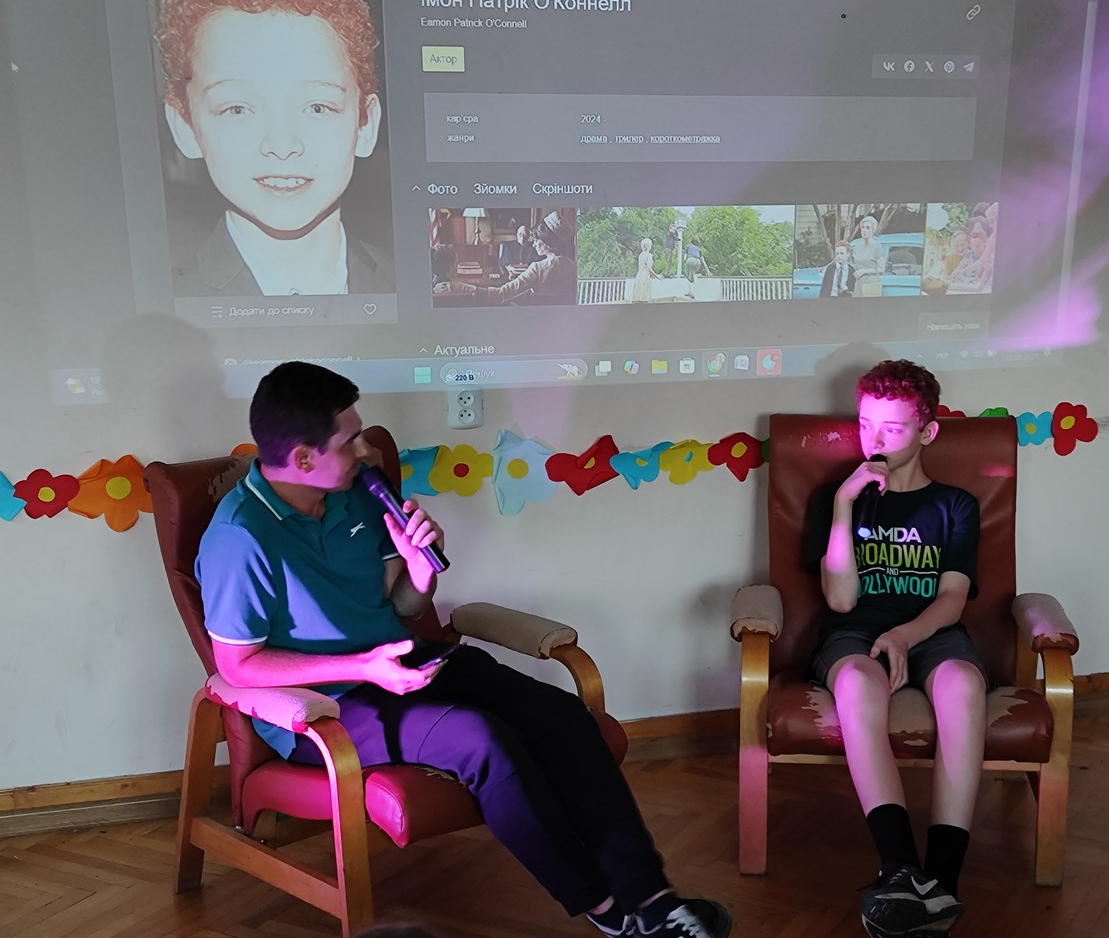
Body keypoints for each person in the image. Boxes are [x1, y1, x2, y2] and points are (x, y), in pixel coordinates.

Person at [196, 361, 732, 938]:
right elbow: (237, 665)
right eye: (349, 439)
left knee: (559, 715)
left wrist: (420, 571)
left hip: (405, 661)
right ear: (303, 459)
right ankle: (608, 912)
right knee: (483, 743)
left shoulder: (354, 491)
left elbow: (402, 605)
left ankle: (652, 901)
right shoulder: (239, 538)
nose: (365, 449)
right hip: (329, 704)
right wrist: (362, 666)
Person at [802, 360, 984, 938]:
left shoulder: (955, 505)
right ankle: (901, 869)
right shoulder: (838, 498)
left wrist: (906, 635)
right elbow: (840, 599)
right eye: (865, 424)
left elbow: (953, 597)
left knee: (963, 684)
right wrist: (843, 505)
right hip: (854, 633)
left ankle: (942, 882)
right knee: (858, 682)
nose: (874, 441)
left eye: (893, 428)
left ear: (927, 432)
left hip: (932, 631)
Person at [156, 0, 393, 297]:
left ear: (365, 125)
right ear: (185, 127)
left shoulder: (417, 287)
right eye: (237, 109)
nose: (282, 145)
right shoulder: (158, 305)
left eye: (318, 107)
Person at [452, 211, 577, 305]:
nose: (533, 244)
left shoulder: (538, 269)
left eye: (537, 240)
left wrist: (461, 287)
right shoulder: (573, 266)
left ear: (548, 243)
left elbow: (500, 294)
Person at [850, 215, 887, 297]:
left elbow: (881, 269)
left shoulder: (877, 246)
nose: (864, 231)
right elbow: (854, 264)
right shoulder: (857, 246)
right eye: (863, 228)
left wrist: (863, 271)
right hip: (858, 283)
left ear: (873, 230)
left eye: (868, 228)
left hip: (871, 283)